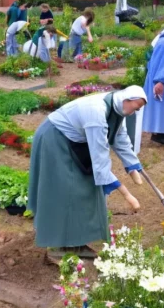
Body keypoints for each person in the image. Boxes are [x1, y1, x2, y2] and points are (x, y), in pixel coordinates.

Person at [28, 86, 147, 258]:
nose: (133, 112)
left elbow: (120, 138)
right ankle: (56, 249)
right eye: (135, 108)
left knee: (83, 191)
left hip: (74, 142)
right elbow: (99, 156)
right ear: (126, 101)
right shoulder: (96, 113)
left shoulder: (117, 107)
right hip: (54, 139)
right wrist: (122, 190)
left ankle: (76, 243)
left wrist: (133, 165)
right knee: (63, 193)